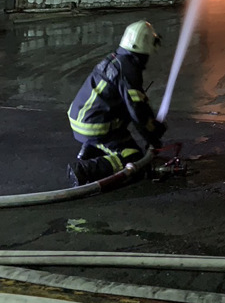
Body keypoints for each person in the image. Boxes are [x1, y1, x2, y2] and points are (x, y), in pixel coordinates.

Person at [67, 20, 167, 186]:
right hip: (95, 126)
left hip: (79, 118)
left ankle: (90, 151)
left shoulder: (116, 59)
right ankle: (86, 169)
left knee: (122, 134)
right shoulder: (129, 69)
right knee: (134, 157)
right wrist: (153, 134)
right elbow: (137, 109)